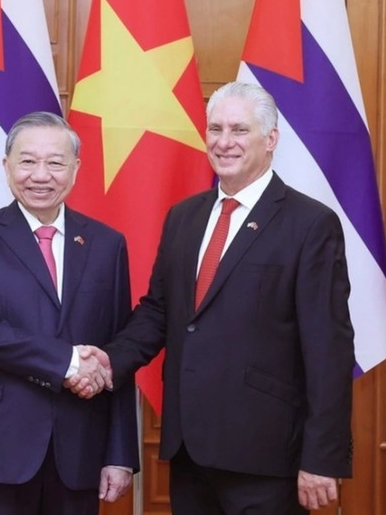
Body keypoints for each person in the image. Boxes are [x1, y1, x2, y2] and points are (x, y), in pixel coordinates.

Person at [69, 81, 355, 514]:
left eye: (239, 130)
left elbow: (328, 350)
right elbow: (160, 311)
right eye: (215, 129)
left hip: (267, 456)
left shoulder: (310, 224)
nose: (224, 143)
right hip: (190, 449)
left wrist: (322, 457)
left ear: (271, 139)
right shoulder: (185, 216)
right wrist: (111, 360)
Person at [0, 111, 139, 515]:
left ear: (75, 169)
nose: (40, 175)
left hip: (80, 449)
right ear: (7, 166)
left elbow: (116, 349)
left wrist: (120, 453)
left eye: (55, 162)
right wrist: (68, 362)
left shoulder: (106, 244)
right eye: (27, 161)